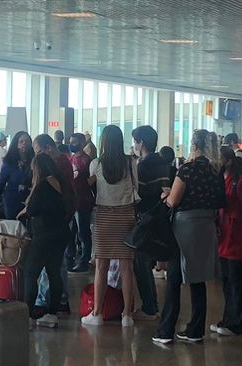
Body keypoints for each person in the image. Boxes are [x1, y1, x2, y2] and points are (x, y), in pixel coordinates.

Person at [160, 129, 224, 345]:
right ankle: (195, 329)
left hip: (185, 226)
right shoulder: (215, 169)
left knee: (175, 277)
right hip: (206, 225)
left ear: (193, 145)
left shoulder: (187, 169)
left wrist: (166, 195)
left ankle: (166, 330)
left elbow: (174, 201)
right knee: (198, 278)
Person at [83, 125, 139, 330]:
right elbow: (137, 188)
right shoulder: (130, 162)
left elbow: (91, 187)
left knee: (101, 266)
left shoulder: (95, 164)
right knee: (127, 267)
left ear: (103, 141)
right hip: (125, 215)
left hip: (104, 215)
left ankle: (97, 312)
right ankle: (127, 315)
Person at [18, 153, 71, 328]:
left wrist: (26, 206)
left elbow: (32, 209)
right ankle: (52, 314)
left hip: (43, 235)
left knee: (30, 273)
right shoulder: (62, 182)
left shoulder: (42, 185)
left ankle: (27, 315)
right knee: (54, 272)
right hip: (61, 233)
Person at [212, 147, 242, 337]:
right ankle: (228, 318)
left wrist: (230, 207)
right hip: (225, 238)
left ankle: (236, 323)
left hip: (237, 238)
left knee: (235, 281)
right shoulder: (224, 181)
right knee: (226, 281)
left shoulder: (240, 182)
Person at [132, 125, 173, 319]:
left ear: (141, 143)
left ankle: (150, 307)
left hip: (146, 218)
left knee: (141, 261)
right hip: (163, 217)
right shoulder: (164, 163)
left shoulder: (143, 166)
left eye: (135, 141)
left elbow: (138, 194)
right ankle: (158, 307)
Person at [0, 131, 35, 221]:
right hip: (12, 202)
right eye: (21, 141)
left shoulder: (35, 162)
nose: (24, 144)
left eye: (27, 141)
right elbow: (0, 185)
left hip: (30, 202)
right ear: (16, 144)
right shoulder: (9, 163)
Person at [66, 131, 95, 274]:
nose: (72, 144)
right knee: (70, 233)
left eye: (75, 142)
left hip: (83, 201)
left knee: (83, 233)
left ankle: (84, 261)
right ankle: (69, 259)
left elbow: (91, 180)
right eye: (71, 142)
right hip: (71, 201)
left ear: (82, 143)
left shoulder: (87, 160)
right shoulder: (69, 159)